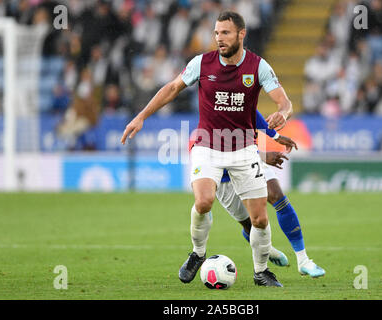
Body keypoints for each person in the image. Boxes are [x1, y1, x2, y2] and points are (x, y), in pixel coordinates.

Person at [121, 11, 291, 287]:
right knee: (203, 201)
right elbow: (173, 87)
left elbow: (284, 101)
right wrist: (142, 116)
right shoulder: (201, 63)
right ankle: (197, 253)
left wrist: (283, 112)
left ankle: (261, 272)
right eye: (216, 33)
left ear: (241, 34)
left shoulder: (258, 67)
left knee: (259, 219)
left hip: (244, 148)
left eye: (225, 33)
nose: (219, 38)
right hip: (207, 145)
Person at [217, 110, 325, 278]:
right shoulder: (214, 103)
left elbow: (252, 113)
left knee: (277, 197)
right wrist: (262, 154)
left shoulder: (243, 91)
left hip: (249, 160)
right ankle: (267, 249)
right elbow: (218, 144)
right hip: (223, 174)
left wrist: (275, 136)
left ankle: (303, 260)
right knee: (252, 224)